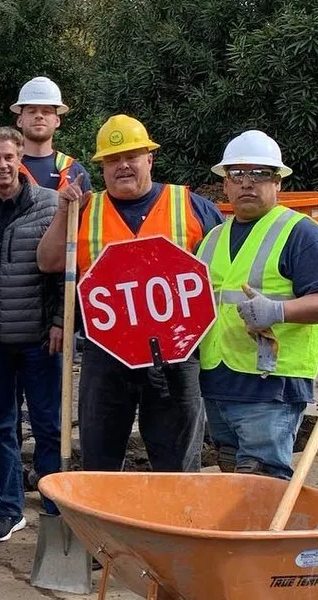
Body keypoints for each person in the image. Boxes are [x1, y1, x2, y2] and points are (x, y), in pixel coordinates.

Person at [37, 114, 223, 473]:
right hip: (107, 356)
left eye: (131, 156)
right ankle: (105, 529)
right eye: (112, 159)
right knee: (100, 460)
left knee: (178, 465)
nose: (122, 165)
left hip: (176, 356)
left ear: (149, 159)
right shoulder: (86, 210)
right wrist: (64, 213)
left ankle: (172, 527)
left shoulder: (191, 207)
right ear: (102, 167)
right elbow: (47, 261)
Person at [197, 130, 318, 479]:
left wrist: (278, 311)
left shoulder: (300, 233)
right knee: (232, 481)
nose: (247, 183)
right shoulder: (214, 238)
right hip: (219, 380)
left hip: (270, 385)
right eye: (237, 174)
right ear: (225, 185)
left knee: (259, 482)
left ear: (278, 182)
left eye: (260, 173)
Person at [0, 128, 63, 543]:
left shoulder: (52, 206)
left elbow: (64, 269)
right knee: (1, 426)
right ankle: (9, 507)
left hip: (41, 339)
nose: (2, 166)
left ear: (20, 157)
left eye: (8, 157)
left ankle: (57, 505)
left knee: (48, 425)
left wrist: (60, 320)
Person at [0, 77, 92, 196]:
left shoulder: (74, 171)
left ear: (57, 121)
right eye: (32, 111)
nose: (39, 116)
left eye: (46, 111)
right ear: (20, 120)